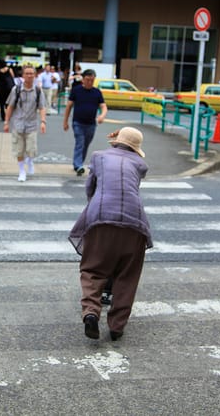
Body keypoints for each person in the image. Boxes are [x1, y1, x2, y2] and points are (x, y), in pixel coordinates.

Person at [69, 126, 153, 341]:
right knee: (128, 273)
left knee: (92, 268)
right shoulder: (140, 164)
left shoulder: (99, 157)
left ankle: (90, 312)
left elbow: (91, 188)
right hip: (135, 222)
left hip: (101, 217)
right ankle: (116, 326)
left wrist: (94, 205)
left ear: (116, 141)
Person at [3, 64, 47, 182]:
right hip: (18, 124)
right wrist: (6, 122)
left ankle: (30, 161)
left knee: (31, 149)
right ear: (23, 75)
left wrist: (43, 122)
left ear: (35, 75)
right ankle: (22, 171)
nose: (29, 76)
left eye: (31, 74)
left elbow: (42, 107)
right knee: (19, 149)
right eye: (27, 73)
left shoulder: (38, 91)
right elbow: (10, 107)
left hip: (32, 124)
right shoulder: (16, 90)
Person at [62, 69, 108, 176]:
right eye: (87, 80)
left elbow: (103, 106)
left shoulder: (97, 92)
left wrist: (102, 115)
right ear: (83, 79)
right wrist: (65, 121)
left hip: (91, 124)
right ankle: (79, 165)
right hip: (78, 122)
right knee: (80, 143)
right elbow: (69, 106)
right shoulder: (76, 90)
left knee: (86, 144)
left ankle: (78, 163)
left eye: (92, 80)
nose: (90, 82)